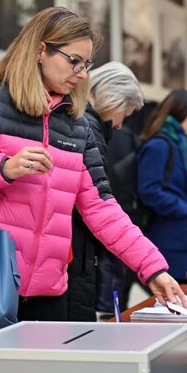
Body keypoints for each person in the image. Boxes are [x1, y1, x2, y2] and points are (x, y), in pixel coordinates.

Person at [0, 7, 187, 345]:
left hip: (48, 292)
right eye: (73, 61)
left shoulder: (77, 127)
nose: (81, 74)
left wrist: (153, 268)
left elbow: (102, 209)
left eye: (86, 64)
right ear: (39, 50)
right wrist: (2, 169)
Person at [67, 61, 144, 321]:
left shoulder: (77, 120)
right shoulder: (89, 128)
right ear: (114, 98)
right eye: (125, 113)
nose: (121, 125)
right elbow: (96, 202)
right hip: (76, 252)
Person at [137, 89, 187, 282]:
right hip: (169, 237)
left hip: (184, 234)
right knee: (179, 299)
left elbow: (173, 183)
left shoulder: (180, 144)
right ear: (180, 114)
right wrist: (183, 209)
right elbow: (149, 190)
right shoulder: (159, 145)